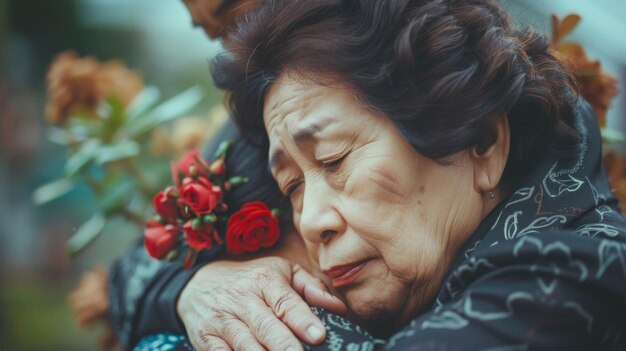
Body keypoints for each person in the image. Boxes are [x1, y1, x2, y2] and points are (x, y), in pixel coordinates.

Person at [113, 0, 626, 350]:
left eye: (335, 160)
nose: (311, 223)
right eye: (291, 187)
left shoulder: (578, 270)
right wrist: (200, 286)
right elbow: (133, 273)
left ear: (485, 143)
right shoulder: (281, 112)